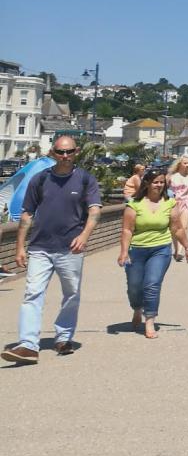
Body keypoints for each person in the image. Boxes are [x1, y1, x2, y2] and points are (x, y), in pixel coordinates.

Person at [2, 136, 103, 364]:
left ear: (76, 152)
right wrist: (20, 246)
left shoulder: (85, 179)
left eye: (69, 152)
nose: (65, 156)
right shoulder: (40, 179)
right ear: (53, 152)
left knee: (71, 294)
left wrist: (84, 235)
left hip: (70, 248)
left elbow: (95, 210)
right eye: (60, 152)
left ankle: (64, 336)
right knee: (32, 293)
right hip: (40, 247)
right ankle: (28, 344)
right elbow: (27, 214)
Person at [117, 168, 188, 339]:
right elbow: (127, 230)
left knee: (152, 284)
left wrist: (187, 247)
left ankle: (149, 320)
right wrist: (123, 252)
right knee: (134, 286)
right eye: (155, 182)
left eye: (161, 182)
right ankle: (137, 309)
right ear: (147, 184)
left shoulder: (169, 203)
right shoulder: (134, 204)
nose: (159, 185)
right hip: (136, 249)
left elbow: (177, 228)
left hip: (160, 249)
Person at [167, 156, 188, 261]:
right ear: (179, 164)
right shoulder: (171, 176)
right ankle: (176, 248)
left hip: (187, 202)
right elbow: (164, 190)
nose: (187, 165)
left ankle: (179, 251)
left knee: (183, 227)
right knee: (174, 228)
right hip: (174, 203)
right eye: (185, 163)